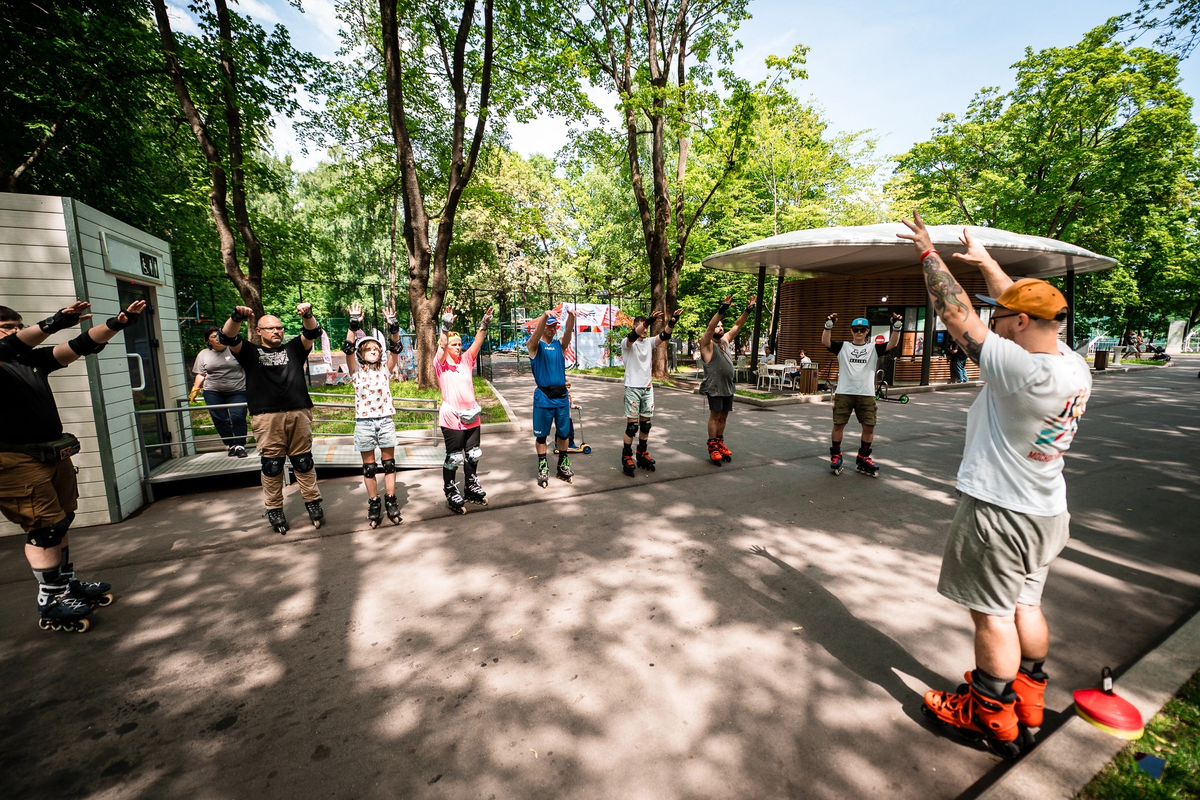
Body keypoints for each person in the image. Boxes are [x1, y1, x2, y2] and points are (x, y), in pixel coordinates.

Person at [898, 212, 1092, 757]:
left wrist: (928, 254)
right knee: (1026, 607)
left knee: (993, 616)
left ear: (1021, 325)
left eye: (1004, 319)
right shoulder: (1073, 366)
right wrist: (987, 262)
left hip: (999, 514)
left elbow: (955, 313)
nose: (998, 323)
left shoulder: (1018, 369)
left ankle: (988, 713)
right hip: (1047, 512)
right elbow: (1018, 304)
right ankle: (1028, 698)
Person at [0, 299, 145, 633]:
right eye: (9, 327)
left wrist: (117, 322)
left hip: (49, 453)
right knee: (44, 528)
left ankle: (65, 585)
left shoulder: (30, 360)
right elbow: (10, 345)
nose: (18, 332)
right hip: (14, 460)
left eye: (20, 325)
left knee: (61, 522)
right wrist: (53, 321)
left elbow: (78, 345)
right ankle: (51, 599)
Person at [222, 303, 324, 534]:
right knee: (272, 465)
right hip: (266, 416)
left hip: (298, 412)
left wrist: (307, 314)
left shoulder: (294, 349)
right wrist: (236, 315)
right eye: (270, 328)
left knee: (303, 461)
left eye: (279, 327)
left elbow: (312, 332)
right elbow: (227, 336)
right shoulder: (250, 352)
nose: (276, 331)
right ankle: (274, 507)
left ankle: (313, 502)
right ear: (259, 331)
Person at [343, 302, 402, 527]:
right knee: (369, 467)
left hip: (385, 420)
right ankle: (374, 502)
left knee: (389, 464)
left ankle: (391, 500)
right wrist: (353, 323)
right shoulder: (355, 372)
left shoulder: (385, 370)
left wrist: (393, 327)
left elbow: (395, 350)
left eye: (376, 349)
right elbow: (347, 348)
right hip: (365, 423)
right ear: (361, 353)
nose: (373, 352)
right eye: (368, 349)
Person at [821, 312, 902, 476]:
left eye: (862, 330)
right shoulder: (843, 347)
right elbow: (825, 341)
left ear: (867, 331)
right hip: (844, 392)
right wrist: (828, 325)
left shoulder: (874, 348)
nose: (859, 332)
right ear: (851, 331)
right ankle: (836, 455)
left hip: (866, 394)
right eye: (856, 329)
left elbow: (892, 343)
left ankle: (863, 457)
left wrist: (896, 327)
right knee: (838, 425)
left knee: (869, 427)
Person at [435, 305, 493, 513]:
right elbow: (441, 347)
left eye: (459, 344)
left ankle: (471, 485)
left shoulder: (466, 360)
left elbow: (477, 342)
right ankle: (450, 489)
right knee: (454, 457)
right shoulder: (440, 363)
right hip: (452, 417)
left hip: (472, 416)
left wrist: (484, 324)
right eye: (454, 344)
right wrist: (445, 327)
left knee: (473, 454)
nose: (458, 347)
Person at [620, 308, 682, 476]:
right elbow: (632, 336)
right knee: (632, 427)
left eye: (646, 328)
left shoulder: (648, 342)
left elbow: (664, 336)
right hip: (632, 387)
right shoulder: (627, 343)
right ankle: (626, 456)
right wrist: (647, 321)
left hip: (647, 388)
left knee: (646, 425)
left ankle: (641, 452)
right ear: (634, 327)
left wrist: (673, 321)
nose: (645, 330)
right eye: (642, 327)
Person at [698, 294, 755, 466]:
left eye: (722, 326)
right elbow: (710, 327)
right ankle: (712, 446)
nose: (720, 328)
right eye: (718, 326)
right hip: (715, 387)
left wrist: (748, 310)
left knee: (724, 416)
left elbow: (738, 325)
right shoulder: (707, 344)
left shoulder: (725, 340)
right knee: (715, 416)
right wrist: (722, 309)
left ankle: (720, 442)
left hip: (728, 387)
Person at [527, 308, 576, 487]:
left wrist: (570, 317)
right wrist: (544, 317)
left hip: (561, 397)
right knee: (542, 436)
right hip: (543, 398)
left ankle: (563, 464)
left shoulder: (559, 345)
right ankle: (542, 464)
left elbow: (568, 333)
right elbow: (537, 333)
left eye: (555, 326)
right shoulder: (534, 346)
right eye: (550, 326)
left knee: (564, 434)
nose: (553, 328)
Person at [188, 326, 248, 457]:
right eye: (213, 337)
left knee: (237, 416)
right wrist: (195, 390)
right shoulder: (204, 354)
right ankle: (231, 444)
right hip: (213, 391)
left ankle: (240, 445)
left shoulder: (234, 349)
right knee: (219, 419)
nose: (217, 339)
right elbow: (201, 374)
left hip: (237, 390)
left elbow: (248, 367)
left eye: (219, 335)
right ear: (208, 341)